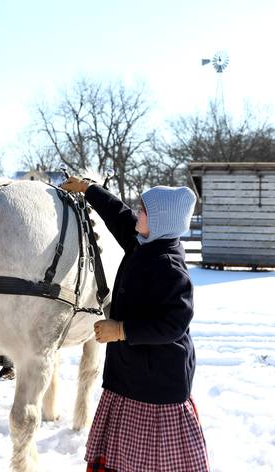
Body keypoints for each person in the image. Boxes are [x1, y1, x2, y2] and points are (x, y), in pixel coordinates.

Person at [61, 176, 210, 472]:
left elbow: (174, 324)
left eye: (142, 210)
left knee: (150, 460)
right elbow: (119, 215)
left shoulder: (168, 266)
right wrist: (89, 189)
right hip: (132, 375)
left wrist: (122, 330)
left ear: (159, 221)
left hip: (157, 384)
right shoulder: (144, 243)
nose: (136, 213)